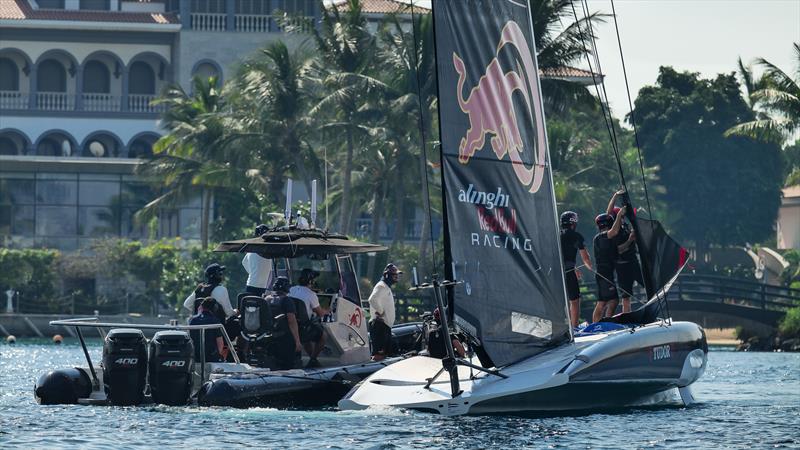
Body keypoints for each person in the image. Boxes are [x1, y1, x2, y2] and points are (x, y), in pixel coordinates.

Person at [606, 191, 643, 314]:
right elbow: (619, 249)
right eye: (620, 217)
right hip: (622, 265)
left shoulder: (625, 226)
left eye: (622, 217)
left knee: (646, 283)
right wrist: (615, 196)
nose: (622, 218)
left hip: (633, 261)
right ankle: (627, 316)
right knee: (626, 296)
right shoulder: (613, 232)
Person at [289, 268, 329, 368]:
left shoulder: (291, 289)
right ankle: (313, 359)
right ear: (311, 281)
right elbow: (320, 313)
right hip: (303, 329)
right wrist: (328, 310)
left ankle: (312, 359)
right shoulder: (311, 294)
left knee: (308, 335)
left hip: (291, 327)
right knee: (323, 335)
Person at [559, 211, 593, 328]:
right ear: (573, 222)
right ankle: (574, 327)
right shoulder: (576, 236)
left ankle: (564, 326)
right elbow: (586, 258)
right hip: (568, 272)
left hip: (555, 272)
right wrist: (589, 266)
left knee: (562, 299)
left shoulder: (555, 234)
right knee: (575, 300)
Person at [592, 207, 626, 322]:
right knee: (606, 301)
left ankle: (605, 321)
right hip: (604, 274)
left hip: (607, 274)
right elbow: (614, 231)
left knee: (610, 300)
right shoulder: (601, 237)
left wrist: (630, 240)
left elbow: (619, 249)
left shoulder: (607, 239)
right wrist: (619, 214)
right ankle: (597, 324)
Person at [266, 276, 303, 370]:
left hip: (269, 337)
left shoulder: (267, 299)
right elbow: (292, 322)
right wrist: (297, 342)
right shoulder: (287, 301)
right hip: (284, 338)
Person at [368, 263, 401, 361]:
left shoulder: (385, 287)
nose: (396, 277)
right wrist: (381, 311)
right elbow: (372, 299)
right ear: (387, 275)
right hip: (379, 326)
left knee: (384, 355)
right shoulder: (381, 286)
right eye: (394, 275)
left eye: (397, 275)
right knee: (379, 356)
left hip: (384, 327)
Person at [188, 297, 226, 363]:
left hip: (196, 357)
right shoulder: (215, 321)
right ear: (215, 308)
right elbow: (220, 344)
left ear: (201, 306)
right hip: (211, 357)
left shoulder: (192, 320)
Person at [242, 224, 273, 296]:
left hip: (251, 284)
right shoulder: (269, 251)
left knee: (249, 306)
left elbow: (244, 262)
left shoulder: (251, 249)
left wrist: (253, 272)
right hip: (264, 286)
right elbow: (271, 272)